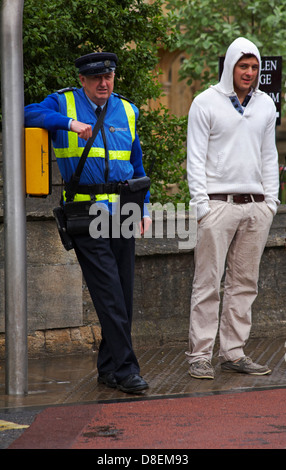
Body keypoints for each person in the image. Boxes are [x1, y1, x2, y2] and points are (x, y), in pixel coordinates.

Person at [25, 52, 151, 393]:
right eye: (96, 78)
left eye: (108, 76)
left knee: (122, 296)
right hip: (86, 213)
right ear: (82, 79)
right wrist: (69, 125)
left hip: (124, 212)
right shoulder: (64, 102)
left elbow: (137, 167)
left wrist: (146, 209)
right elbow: (25, 113)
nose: (103, 83)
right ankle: (126, 370)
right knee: (109, 294)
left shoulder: (127, 109)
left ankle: (109, 368)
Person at [186, 37, 280, 379]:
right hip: (217, 205)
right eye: (244, 66)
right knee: (207, 282)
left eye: (254, 67)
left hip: (256, 207)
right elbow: (194, 158)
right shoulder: (205, 103)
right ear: (230, 66)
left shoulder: (266, 105)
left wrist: (271, 202)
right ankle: (199, 355)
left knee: (244, 283)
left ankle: (233, 352)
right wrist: (201, 206)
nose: (250, 73)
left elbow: (269, 155)